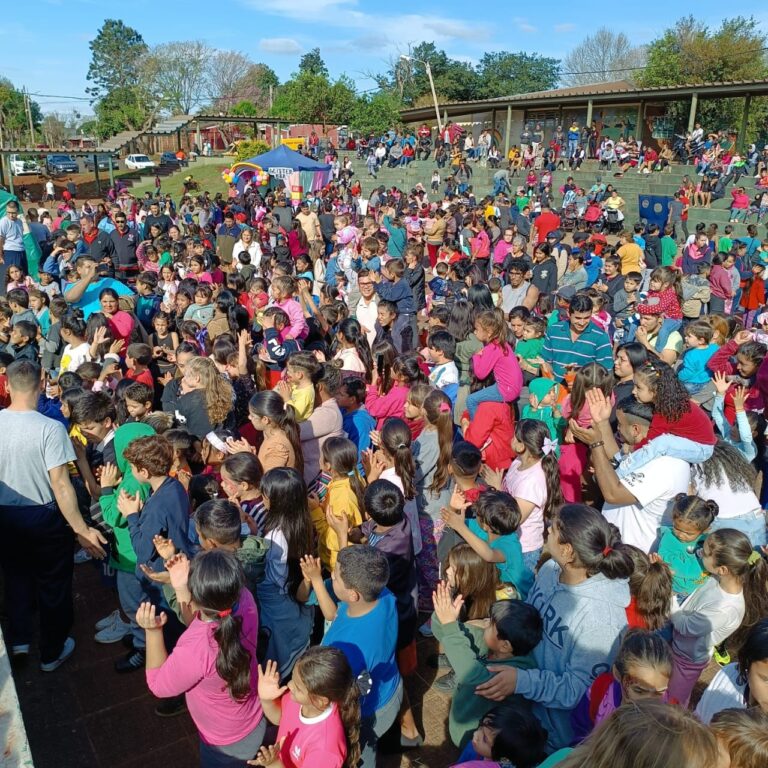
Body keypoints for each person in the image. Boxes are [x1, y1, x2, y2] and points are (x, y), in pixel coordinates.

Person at [475, 504, 632, 751]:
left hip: (552, 735)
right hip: (521, 701)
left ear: (568, 551)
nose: (547, 530)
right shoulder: (550, 569)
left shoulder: (603, 621)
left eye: (553, 529)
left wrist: (522, 681)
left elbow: (577, 690)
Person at [0, 360, 106, 669]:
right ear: (42, 381)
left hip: (6, 515)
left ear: (7, 386)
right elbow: (61, 484)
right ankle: (51, 649)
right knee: (53, 582)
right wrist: (81, 529)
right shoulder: (50, 428)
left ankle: (19, 641)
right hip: (43, 515)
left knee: (16, 577)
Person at [138, 550, 265, 767]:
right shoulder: (245, 599)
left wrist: (152, 631)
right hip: (253, 718)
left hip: (224, 745)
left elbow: (158, 685)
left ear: (195, 599)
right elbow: (201, 624)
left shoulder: (196, 649)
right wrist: (180, 587)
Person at [301, 545, 402, 768]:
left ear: (353, 594)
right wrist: (318, 580)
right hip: (389, 689)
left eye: (335, 576)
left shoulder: (347, 652)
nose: (331, 576)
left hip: (366, 712)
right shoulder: (384, 595)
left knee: (362, 754)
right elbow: (334, 613)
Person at [431, 585, 542, 749]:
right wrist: (443, 614)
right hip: (464, 721)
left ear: (505, 646)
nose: (484, 623)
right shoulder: (492, 643)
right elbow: (443, 632)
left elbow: (471, 674)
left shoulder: (515, 674)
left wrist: (450, 626)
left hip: (477, 740)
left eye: (490, 624)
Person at [669, 528, 768, 707]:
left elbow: (684, 626)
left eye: (704, 553)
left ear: (722, 569)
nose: (699, 554)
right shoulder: (718, 579)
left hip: (687, 659)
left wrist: (668, 596)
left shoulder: (725, 609)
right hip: (681, 647)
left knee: (674, 701)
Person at [571, 629, 675, 743]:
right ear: (617, 673)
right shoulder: (601, 690)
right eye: (639, 690)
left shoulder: (669, 716)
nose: (648, 702)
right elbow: (581, 727)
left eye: (659, 692)